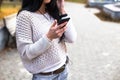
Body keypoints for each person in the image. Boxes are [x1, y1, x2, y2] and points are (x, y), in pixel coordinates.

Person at [16, 0, 77, 80]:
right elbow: (25, 54)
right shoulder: (25, 16)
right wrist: (49, 37)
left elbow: (72, 38)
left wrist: (62, 10)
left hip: (63, 71)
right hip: (44, 77)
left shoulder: (53, 11)